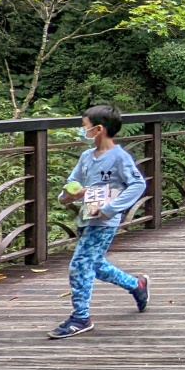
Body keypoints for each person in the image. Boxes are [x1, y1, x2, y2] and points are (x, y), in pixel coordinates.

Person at [47, 104, 150, 339]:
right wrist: (68, 196)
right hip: (86, 218)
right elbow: (71, 183)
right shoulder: (86, 157)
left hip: (104, 222)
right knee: (96, 266)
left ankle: (80, 317)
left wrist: (111, 209)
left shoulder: (119, 157)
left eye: (85, 127)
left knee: (79, 265)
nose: (82, 131)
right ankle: (137, 285)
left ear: (99, 129)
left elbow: (138, 184)